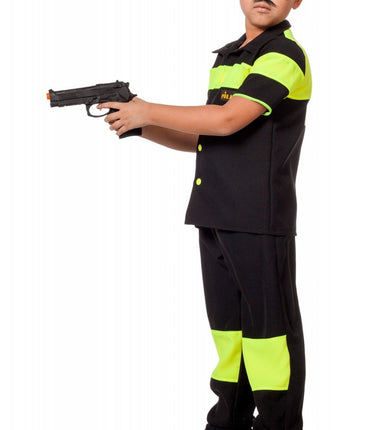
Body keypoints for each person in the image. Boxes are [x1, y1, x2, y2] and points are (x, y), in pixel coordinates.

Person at [98, 0, 311, 429]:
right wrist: (139, 124)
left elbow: (228, 119)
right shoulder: (229, 56)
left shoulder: (283, 54)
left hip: (258, 214)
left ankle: (279, 424)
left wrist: (147, 109)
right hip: (215, 211)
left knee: (270, 335)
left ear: (297, 1)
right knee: (229, 334)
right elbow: (206, 134)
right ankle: (228, 420)